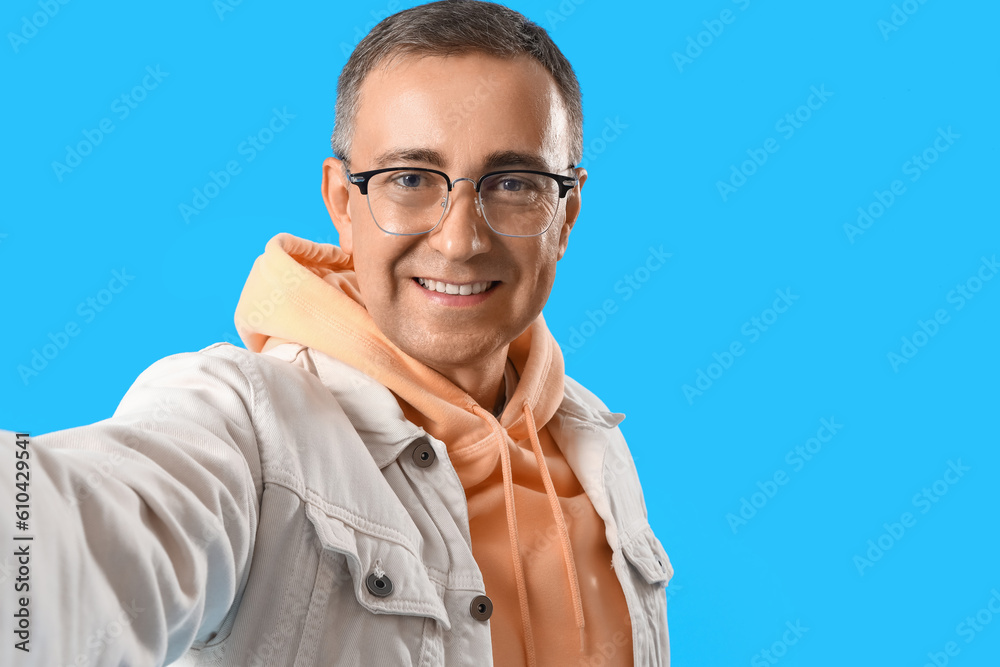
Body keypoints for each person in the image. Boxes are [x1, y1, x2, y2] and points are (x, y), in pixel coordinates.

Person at [1, 1, 672, 664]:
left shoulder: (597, 444)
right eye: (410, 178)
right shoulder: (245, 426)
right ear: (343, 203)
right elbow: (76, 536)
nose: (461, 238)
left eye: (513, 182)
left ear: (567, 213)